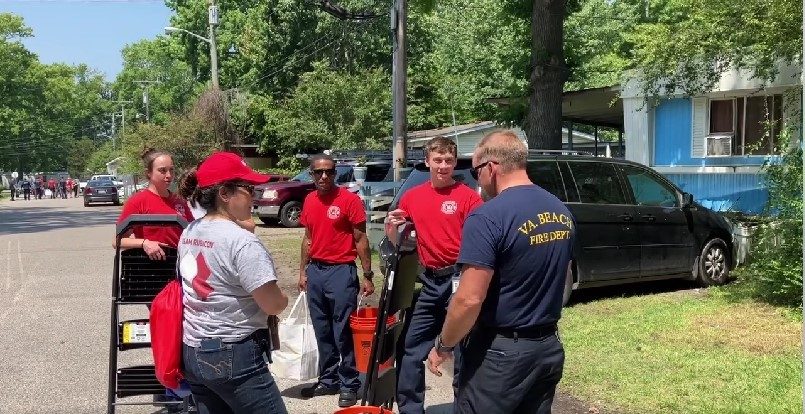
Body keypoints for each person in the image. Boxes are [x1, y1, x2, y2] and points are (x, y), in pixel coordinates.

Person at [426, 130, 575, 414]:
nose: (476, 180)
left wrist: (444, 345)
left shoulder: (488, 216)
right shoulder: (561, 211)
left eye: (475, 172)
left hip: (500, 355)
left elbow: (469, 299)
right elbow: (563, 274)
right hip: (547, 348)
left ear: (491, 168)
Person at [176, 151, 289, 414]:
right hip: (232, 353)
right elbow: (272, 304)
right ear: (224, 193)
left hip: (193, 348)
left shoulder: (189, 231)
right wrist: (283, 299)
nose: (255, 195)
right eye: (248, 188)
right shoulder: (241, 241)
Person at [384, 136, 483, 414]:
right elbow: (398, 241)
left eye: (448, 161)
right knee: (411, 346)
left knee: (463, 350)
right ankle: (411, 408)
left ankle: (463, 407)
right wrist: (392, 227)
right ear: (427, 161)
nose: (443, 166)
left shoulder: (468, 197)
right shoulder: (412, 197)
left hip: (459, 281)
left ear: (454, 163)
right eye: (437, 160)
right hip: (430, 282)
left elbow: (479, 242)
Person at [298, 154, 375, 408]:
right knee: (322, 330)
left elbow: (361, 238)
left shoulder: (349, 200)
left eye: (329, 172)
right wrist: (302, 271)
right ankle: (328, 378)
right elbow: (307, 238)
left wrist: (367, 274)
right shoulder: (309, 200)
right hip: (316, 272)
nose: (323, 176)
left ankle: (349, 383)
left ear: (335, 174)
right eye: (318, 172)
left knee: (343, 330)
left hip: (341, 271)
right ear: (311, 174)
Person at [114, 148, 194, 260]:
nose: (169, 175)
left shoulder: (179, 200)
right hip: (150, 269)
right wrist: (144, 243)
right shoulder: (137, 201)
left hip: (180, 265)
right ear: (149, 173)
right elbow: (117, 241)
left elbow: (193, 232)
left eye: (171, 170)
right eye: (162, 170)